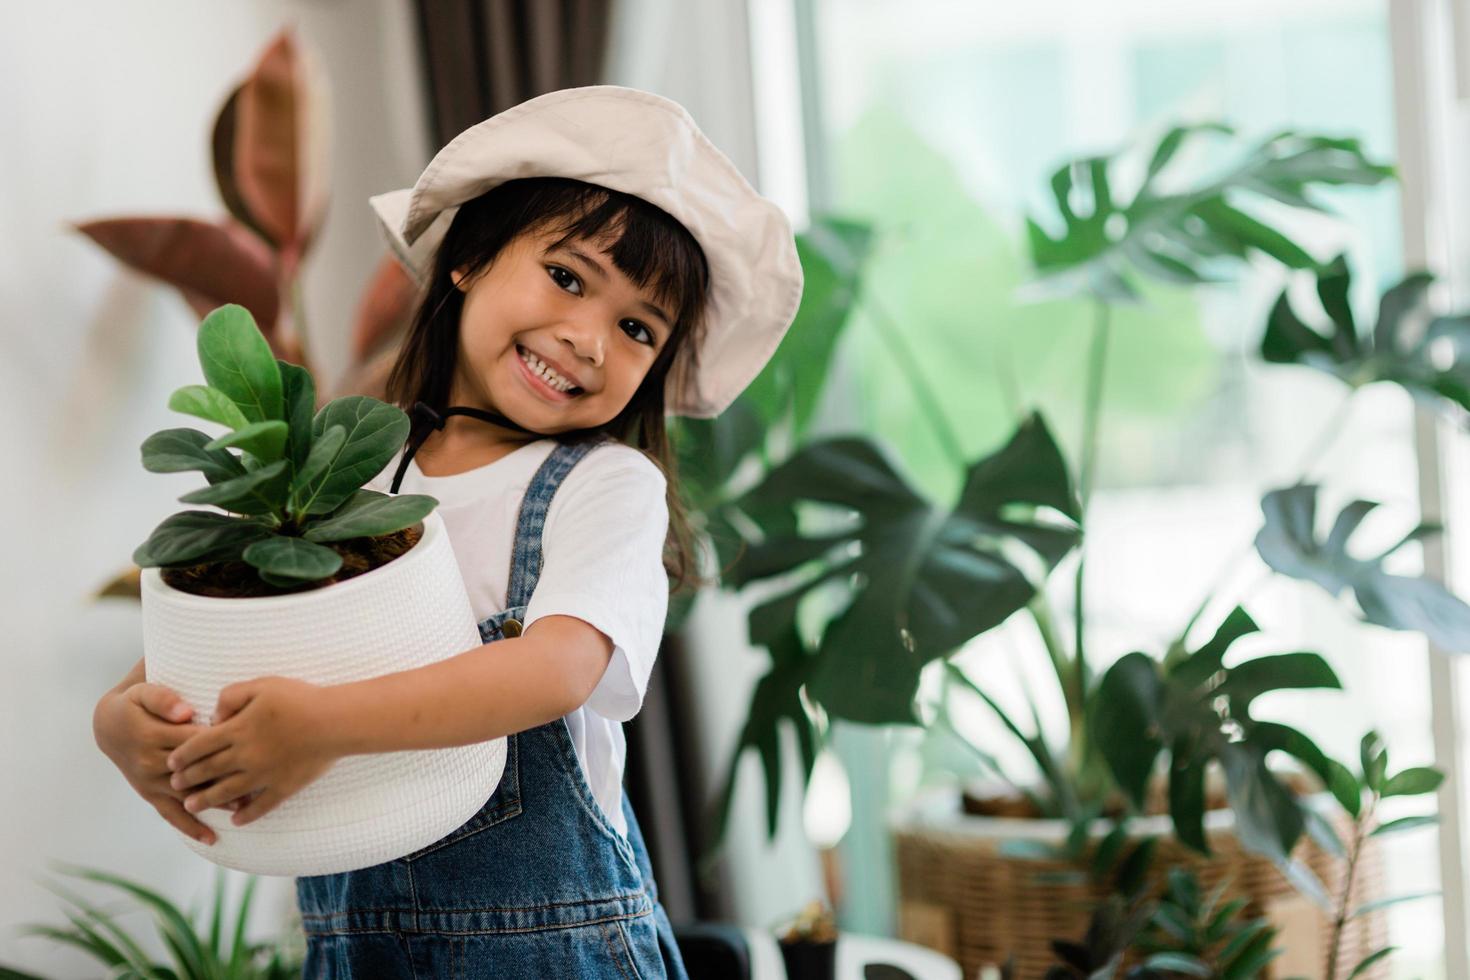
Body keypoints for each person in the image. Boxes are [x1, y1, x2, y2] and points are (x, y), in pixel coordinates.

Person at [91, 85, 803, 977]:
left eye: (635, 328)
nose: (588, 339)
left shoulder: (605, 485)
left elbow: (555, 669)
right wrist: (123, 719)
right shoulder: (346, 468)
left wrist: (324, 724)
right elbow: (217, 631)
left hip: (554, 954)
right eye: (568, 276)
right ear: (469, 257)